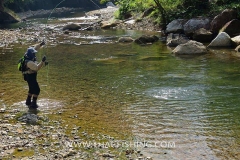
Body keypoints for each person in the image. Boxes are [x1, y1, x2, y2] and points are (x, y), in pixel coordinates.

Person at [22, 41, 47, 109]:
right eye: (33, 54)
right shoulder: (29, 62)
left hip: (27, 75)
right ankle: (33, 104)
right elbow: (36, 68)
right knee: (37, 90)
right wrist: (42, 61)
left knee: (31, 89)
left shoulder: (27, 54)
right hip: (30, 76)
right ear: (31, 55)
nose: (34, 54)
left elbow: (35, 48)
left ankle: (28, 101)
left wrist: (41, 44)